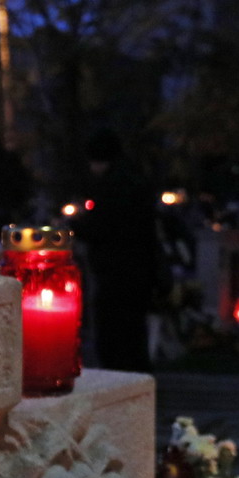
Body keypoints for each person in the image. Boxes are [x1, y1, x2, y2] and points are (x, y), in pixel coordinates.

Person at [73, 130, 157, 372]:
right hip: (139, 269)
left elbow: (101, 226)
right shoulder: (136, 180)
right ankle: (139, 379)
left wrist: (75, 225)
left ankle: (120, 379)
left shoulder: (111, 186)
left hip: (115, 271)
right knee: (134, 335)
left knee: (113, 336)